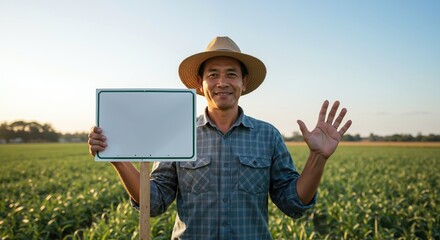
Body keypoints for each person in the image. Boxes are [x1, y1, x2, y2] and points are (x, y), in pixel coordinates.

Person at [88, 36, 352, 239]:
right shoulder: (178, 134)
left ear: (244, 83)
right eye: (213, 74)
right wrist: (119, 160)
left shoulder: (267, 135)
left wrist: (318, 158)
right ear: (200, 85)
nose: (222, 82)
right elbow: (154, 202)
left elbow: (294, 204)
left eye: (231, 74)